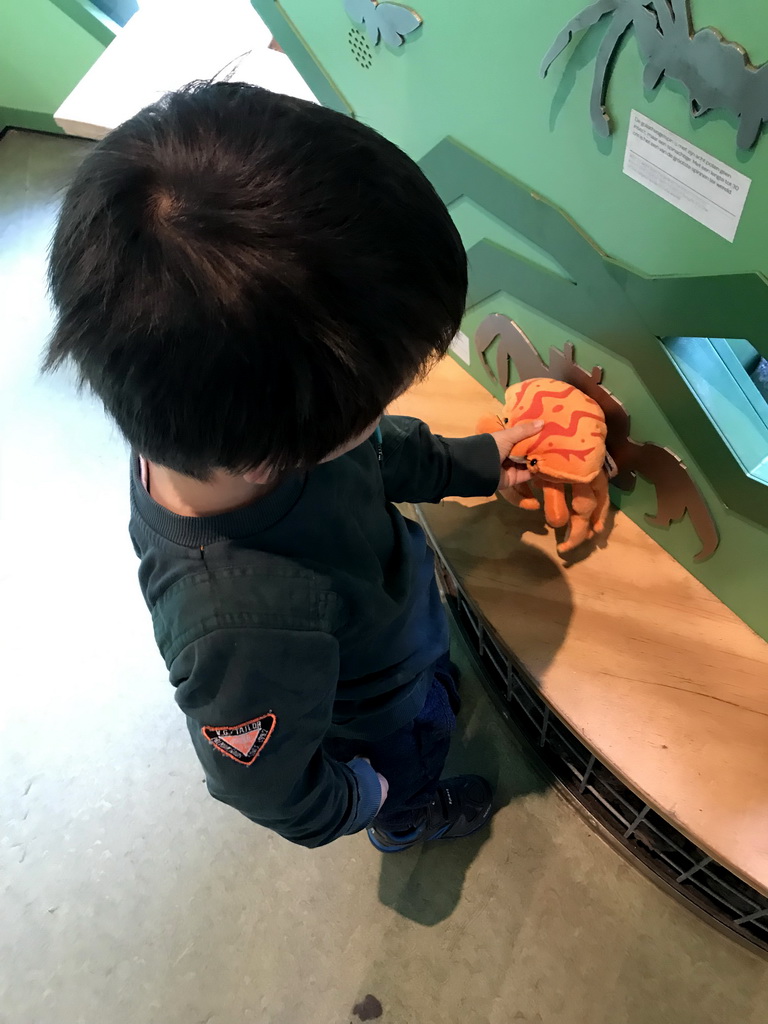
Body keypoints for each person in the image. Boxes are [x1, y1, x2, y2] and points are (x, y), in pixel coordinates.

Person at [45, 81, 541, 851]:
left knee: (430, 686)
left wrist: (478, 464)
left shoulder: (230, 417)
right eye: (378, 397)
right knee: (412, 760)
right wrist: (357, 798)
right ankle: (410, 818)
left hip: (390, 631)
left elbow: (375, 453)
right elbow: (255, 778)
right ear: (280, 452)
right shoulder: (235, 627)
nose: (387, 409)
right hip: (377, 722)